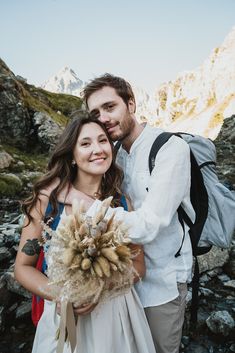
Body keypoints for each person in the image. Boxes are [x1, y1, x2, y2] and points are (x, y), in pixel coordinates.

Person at [14, 112, 156, 353]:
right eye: (86, 143)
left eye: (103, 141)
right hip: (63, 312)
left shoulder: (122, 205)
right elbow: (22, 267)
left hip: (115, 313)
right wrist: (62, 295)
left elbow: (139, 267)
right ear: (71, 155)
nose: (98, 149)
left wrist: (99, 290)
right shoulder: (47, 202)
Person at [82, 74, 195, 353]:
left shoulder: (170, 148)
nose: (103, 118)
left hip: (163, 282)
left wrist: (84, 207)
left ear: (130, 104)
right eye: (95, 113)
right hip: (124, 280)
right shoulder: (112, 153)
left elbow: (148, 225)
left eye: (110, 107)